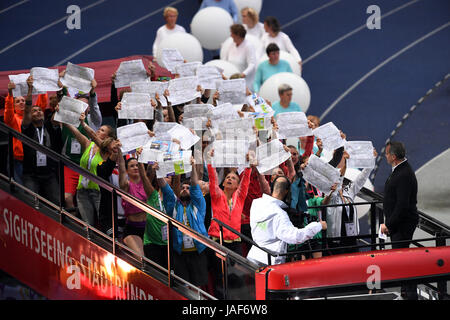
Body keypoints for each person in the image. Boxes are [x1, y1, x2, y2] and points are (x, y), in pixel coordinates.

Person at [247, 175, 327, 265]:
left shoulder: (256, 204)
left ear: (272, 187)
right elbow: (296, 237)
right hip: (269, 262)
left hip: (253, 257)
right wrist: (319, 225)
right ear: (287, 191)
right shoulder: (279, 214)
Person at [158, 156, 209, 288]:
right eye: (182, 188)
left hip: (198, 252)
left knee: (199, 287)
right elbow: (166, 189)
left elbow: (195, 186)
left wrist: (192, 166)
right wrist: (158, 173)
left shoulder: (199, 204)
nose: (185, 189)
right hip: (179, 254)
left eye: (188, 188)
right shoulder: (173, 206)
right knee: (183, 287)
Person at [380, 141, 418, 300]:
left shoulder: (403, 174)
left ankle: (409, 293)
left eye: (387, 154)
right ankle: (406, 291)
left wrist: (389, 224)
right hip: (399, 224)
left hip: (402, 225)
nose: (385, 156)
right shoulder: (400, 169)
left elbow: (402, 205)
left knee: (403, 259)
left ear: (394, 156)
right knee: (402, 258)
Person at [21, 77, 62, 205]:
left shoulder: (49, 126)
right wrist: (30, 89)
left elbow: (59, 111)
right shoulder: (27, 128)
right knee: (31, 204)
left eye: (39, 110)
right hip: (31, 174)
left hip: (49, 173)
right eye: (34, 111)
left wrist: (60, 91)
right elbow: (27, 110)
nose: (38, 112)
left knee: (57, 203)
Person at [220, 24, 257, 90]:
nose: (231, 35)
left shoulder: (249, 46)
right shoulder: (231, 45)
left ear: (238, 35)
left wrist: (242, 75)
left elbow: (252, 64)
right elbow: (225, 60)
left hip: (244, 83)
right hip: (231, 80)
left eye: (232, 33)